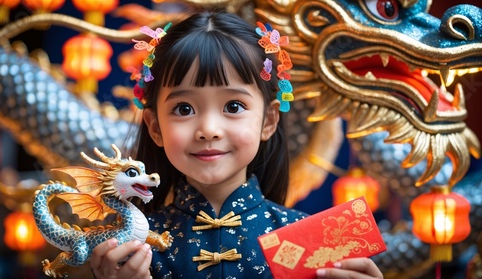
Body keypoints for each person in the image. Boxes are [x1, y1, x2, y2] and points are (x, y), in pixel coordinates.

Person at [90, 11, 384, 279]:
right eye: (183, 109)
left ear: (268, 120)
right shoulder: (127, 252)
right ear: (155, 127)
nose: (208, 130)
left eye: (233, 106)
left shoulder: (318, 248)